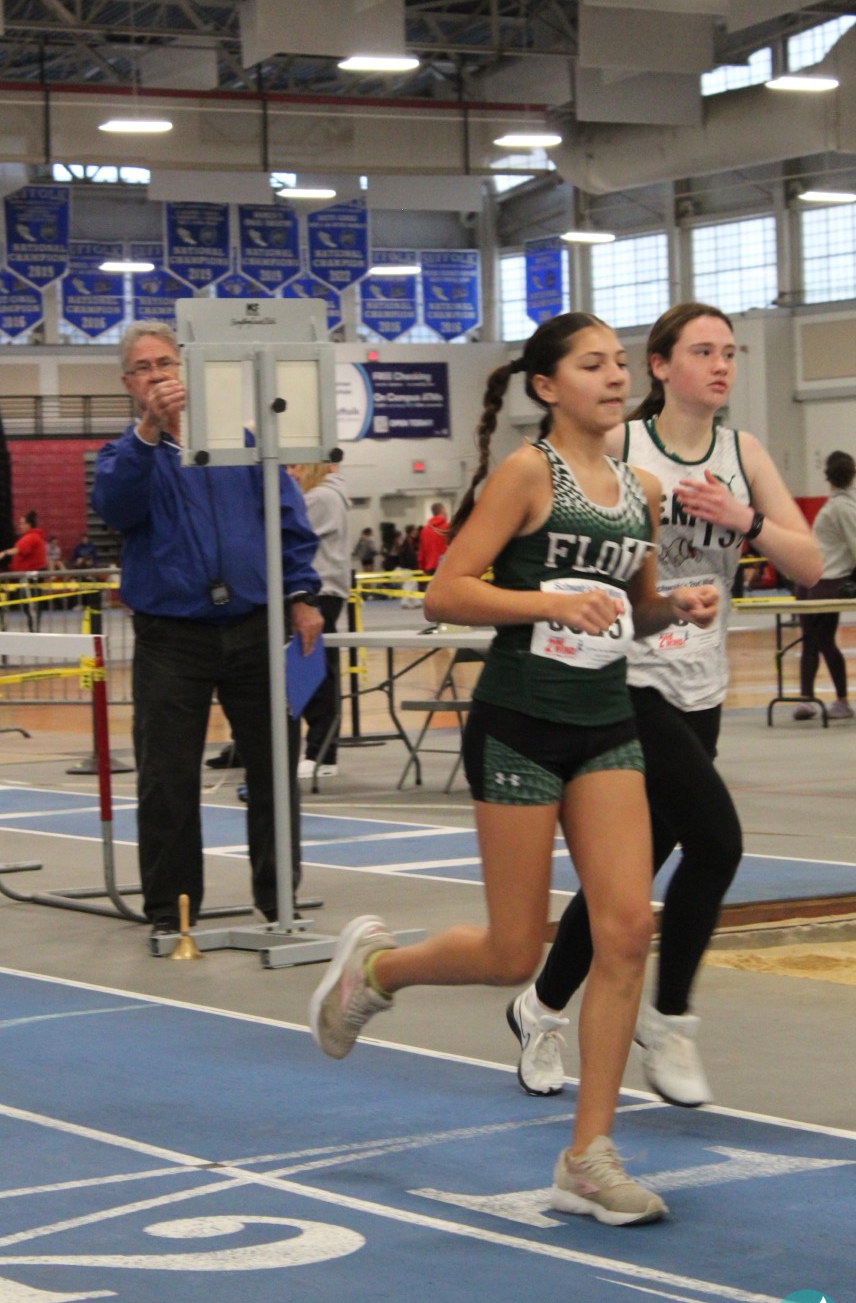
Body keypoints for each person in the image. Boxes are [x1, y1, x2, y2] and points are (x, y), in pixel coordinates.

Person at [309, 312, 719, 1226]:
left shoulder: (643, 491)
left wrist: (675, 607)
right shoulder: (529, 473)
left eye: (620, 363)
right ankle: (378, 970)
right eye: (592, 364)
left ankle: (588, 1157)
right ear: (546, 385)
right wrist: (548, 603)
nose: (615, 377)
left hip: (606, 725)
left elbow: (633, 609)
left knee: (625, 932)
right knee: (512, 953)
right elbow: (447, 590)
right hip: (520, 725)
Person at [508, 302, 822, 1110]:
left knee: (634, 868)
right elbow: (558, 533)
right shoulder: (624, 445)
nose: (721, 366)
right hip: (626, 678)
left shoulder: (742, 453)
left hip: (701, 686)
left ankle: (541, 1005)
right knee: (717, 841)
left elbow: (811, 564)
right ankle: (670, 1020)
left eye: (730, 352)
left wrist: (745, 520)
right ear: (659, 365)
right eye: (703, 351)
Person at [92, 320, 323, 947]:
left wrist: (302, 596)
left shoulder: (240, 446)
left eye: (165, 362)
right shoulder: (124, 456)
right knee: (167, 775)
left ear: (187, 368)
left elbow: (286, 520)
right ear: (128, 384)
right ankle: (173, 912)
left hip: (254, 627)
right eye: (143, 368)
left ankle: (280, 900)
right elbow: (116, 508)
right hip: (173, 638)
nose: (157, 375)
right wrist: (147, 434)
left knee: (275, 768)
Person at [287, 461, 351, 780]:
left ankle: (322, 753)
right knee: (312, 672)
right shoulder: (327, 496)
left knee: (317, 676)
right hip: (321, 591)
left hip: (318, 594)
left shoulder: (319, 498)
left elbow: (286, 535)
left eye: (295, 466)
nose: (290, 473)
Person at [794, 449, 856, 720]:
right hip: (812, 579)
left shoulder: (843, 508)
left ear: (828, 476)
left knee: (823, 641)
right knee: (811, 640)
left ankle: (842, 701)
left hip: (829, 582)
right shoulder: (836, 505)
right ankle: (806, 698)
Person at [0, 512, 48, 631]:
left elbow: (19, 549)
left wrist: (4, 553)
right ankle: (33, 629)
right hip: (26, 576)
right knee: (30, 605)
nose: (19, 526)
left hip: (29, 578)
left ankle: (34, 630)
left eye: (22, 523)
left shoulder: (31, 537)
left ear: (29, 524)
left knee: (30, 606)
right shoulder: (34, 536)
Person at [417, 501, 450, 577]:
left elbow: (422, 552)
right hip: (446, 567)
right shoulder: (448, 528)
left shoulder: (425, 530)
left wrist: (422, 568)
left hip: (430, 568)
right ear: (442, 511)